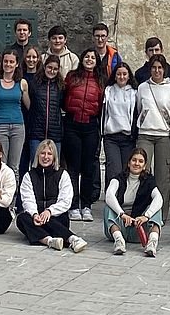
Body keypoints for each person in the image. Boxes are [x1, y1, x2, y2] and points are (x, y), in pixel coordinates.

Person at [17, 140, 87, 252]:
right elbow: (27, 199)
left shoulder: (62, 174)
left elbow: (66, 201)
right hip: (37, 217)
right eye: (42, 153)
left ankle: (73, 239)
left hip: (56, 216)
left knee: (52, 220)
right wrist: (35, 214)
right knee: (22, 219)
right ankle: (50, 241)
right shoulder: (29, 176)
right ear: (37, 155)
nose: (45, 157)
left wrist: (49, 211)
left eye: (49, 154)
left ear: (54, 157)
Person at [61, 48, 106, 220]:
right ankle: (73, 204)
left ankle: (86, 205)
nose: (89, 59)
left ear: (96, 61)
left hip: (90, 125)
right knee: (73, 167)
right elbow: (64, 99)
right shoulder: (72, 76)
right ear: (81, 59)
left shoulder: (101, 80)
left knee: (88, 168)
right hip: (72, 124)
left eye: (92, 57)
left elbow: (102, 104)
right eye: (86, 56)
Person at [134, 54, 170, 213]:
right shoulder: (142, 87)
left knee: (163, 177)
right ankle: (139, 210)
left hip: (163, 136)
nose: (157, 71)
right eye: (154, 67)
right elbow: (139, 108)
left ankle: (161, 214)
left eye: (160, 68)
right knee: (140, 172)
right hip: (145, 133)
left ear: (164, 69)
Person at [103, 147, 163, 257]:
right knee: (108, 207)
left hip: (139, 228)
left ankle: (152, 243)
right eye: (134, 160)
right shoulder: (118, 178)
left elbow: (159, 199)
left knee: (157, 209)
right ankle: (119, 242)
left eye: (141, 161)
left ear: (144, 166)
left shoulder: (149, 180)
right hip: (120, 227)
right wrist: (122, 214)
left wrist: (146, 216)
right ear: (129, 163)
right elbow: (109, 195)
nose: (137, 164)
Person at [23, 46, 66, 178]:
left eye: (55, 69)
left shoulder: (60, 86)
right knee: (36, 165)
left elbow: (63, 105)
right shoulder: (35, 82)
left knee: (54, 166)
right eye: (49, 67)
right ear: (45, 66)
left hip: (54, 131)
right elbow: (28, 102)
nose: (51, 71)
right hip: (36, 130)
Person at [99, 60, 138, 201]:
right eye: (119, 74)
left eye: (124, 74)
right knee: (113, 168)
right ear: (115, 76)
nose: (121, 77)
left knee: (126, 169)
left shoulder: (134, 92)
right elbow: (104, 112)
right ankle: (111, 197)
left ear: (129, 76)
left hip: (128, 137)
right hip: (111, 136)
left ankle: (123, 198)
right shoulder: (108, 91)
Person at [0, 50, 29, 173]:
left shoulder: (22, 83)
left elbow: (30, 106)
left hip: (18, 127)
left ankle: (14, 192)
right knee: (1, 165)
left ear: (16, 64)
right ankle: (1, 191)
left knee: (14, 166)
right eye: (6, 61)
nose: (8, 64)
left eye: (11, 62)